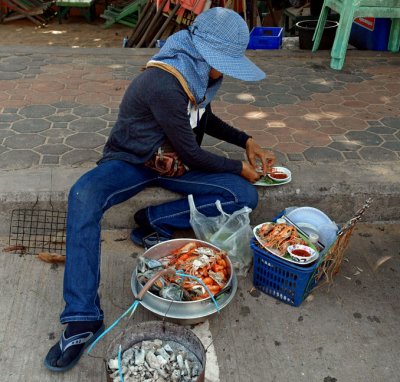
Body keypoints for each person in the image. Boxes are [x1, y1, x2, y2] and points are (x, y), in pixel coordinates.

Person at [44, 7, 276, 372]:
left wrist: (246, 140)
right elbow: (193, 152)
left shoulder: (199, 74)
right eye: (225, 63)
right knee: (82, 196)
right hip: (133, 162)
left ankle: (151, 218)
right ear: (204, 54)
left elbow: (203, 119)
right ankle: (81, 318)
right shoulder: (164, 82)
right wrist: (238, 167)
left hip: (174, 164)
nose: (227, 71)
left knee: (244, 196)